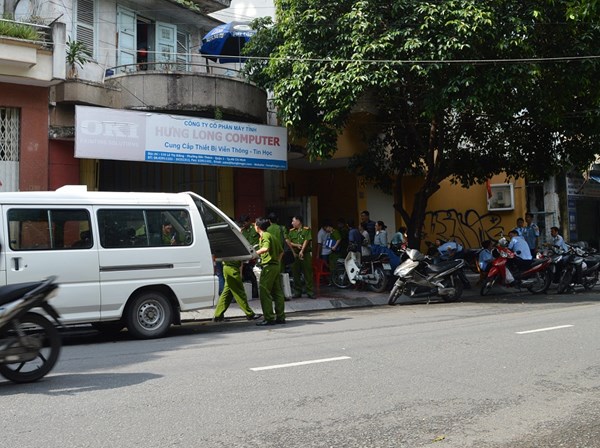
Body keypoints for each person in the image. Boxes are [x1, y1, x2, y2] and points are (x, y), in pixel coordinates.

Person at [254, 217, 286, 326]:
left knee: (264, 291)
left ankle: (269, 318)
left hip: (269, 267)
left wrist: (254, 254)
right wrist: (277, 262)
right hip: (275, 266)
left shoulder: (265, 235)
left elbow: (265, 248)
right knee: (277, 292)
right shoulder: (272, 235)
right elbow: (281, 251)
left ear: (257, 227)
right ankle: (281, 317)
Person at [213, 258, 262, 322]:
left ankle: (218, 315)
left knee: (227, 294)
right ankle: (249, 314)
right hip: (232, 269)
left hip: (228, 268)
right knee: (239, 293)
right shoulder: (234, 248)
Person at [287, 215, 315, 299]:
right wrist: (296, 245)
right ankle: (297, 292)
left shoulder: (306, 230)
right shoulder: (291, 231)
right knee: (296, 273)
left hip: (305, 254)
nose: (292, 223)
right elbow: (288, 242)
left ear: (298, 221)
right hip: (295, 254)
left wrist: (302, 250)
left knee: (308, 273)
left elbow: (307, 240)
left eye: (293, 221)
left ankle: (310, 292)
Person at [239, 215, 259, 298]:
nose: (244, 224)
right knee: (248, 274)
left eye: (245, 222)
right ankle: (251, 292)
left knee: (253, 274)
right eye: (242, 223)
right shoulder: (242, 231)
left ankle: (255, 292)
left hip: (256, 254)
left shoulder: (255, 228)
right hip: (247, 256)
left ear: (249, 221)